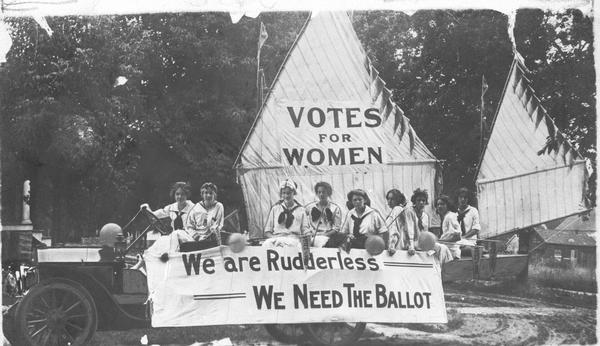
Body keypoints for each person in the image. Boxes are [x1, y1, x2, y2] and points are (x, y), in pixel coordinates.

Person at [141, 182, 195, 248]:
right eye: (177, 194)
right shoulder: (171, 207)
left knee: (176, 234)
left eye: (183, 194)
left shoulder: (193, 208)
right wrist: (147, 208)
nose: (180, 197)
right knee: (161, 239)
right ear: (174, 195)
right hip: (175, 239)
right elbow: (154, 216)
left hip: (189, 240)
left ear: (187, 195)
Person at [263, 179, 309, 248]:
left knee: (296, 247)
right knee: (267, 244)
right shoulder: (275, 208)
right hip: (277, 238)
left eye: (289, 193)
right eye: (284, 193)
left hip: (293, 239)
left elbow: (305, 229)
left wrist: (308, 235)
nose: (286, 196)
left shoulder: (301, 210)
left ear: (294, 193)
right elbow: (267, 231)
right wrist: (273, 237)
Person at [305, 182, 342, 247]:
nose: (321, 194)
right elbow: (301, 218)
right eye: (319, 192)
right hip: (312, 235)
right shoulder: (310, 207)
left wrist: (325, 235)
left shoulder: (335, 208)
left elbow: (336, 228)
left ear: (328, 193)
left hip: (327, 236)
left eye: (323, 192)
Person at [398, 188, 430, 255]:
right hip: (408, 243)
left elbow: (425, 232)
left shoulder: (425, 216)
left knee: (439, 248)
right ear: (414, 201)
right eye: (418, 200)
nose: (421, 202)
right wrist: (411, 246)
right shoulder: (409, 211)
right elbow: (409, 229)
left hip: (419, 243)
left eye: (423, 200)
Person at [456, 187, 481, 255]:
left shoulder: (473, 211)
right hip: (457, 242)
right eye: (461, 197)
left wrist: (463, 238)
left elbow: (476, 229)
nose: (462, 199)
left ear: (468, 199)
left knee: (467, 249)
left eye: (465, 197)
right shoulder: (454, 212)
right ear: (458, 198)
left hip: (469, 242)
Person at [435, 195, 462, 259]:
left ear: (448, 205)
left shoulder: (450, 217)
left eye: (442, 204)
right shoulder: (446, 217)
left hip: (451, 251)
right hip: (447, 249)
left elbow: (457, 237)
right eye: (438, 204)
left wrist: (440, 241)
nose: (439, 206)